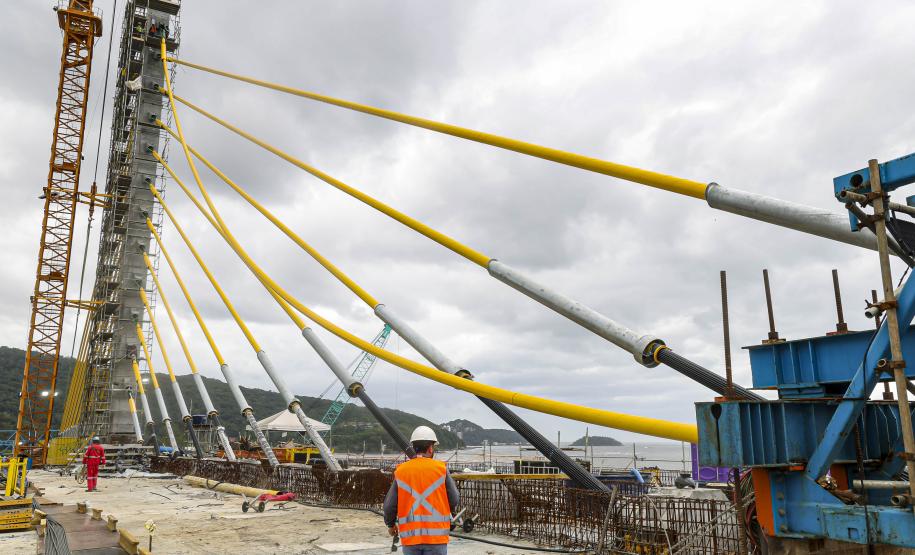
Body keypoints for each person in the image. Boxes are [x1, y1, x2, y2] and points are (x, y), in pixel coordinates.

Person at [383, 426, 459, 554]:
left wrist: (391, 525)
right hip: (437, 538)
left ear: (414, 447)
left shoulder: (401, 471)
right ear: (430, 448)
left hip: (410, 538)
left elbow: (389, 506)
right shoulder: (441, 469)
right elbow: (454, 499)